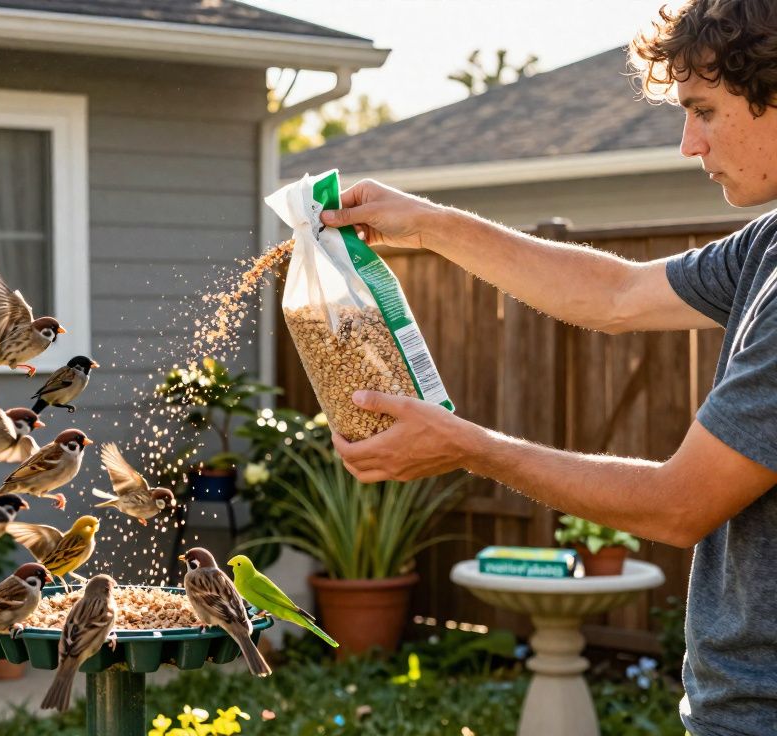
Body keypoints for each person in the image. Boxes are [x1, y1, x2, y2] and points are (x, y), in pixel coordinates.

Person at [325, 1, 777, 732]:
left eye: (704, 110)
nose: (688, 144)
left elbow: (680, 504)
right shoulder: (766, 249)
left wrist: (465, 445)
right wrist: (431, 223)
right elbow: (617, 293)